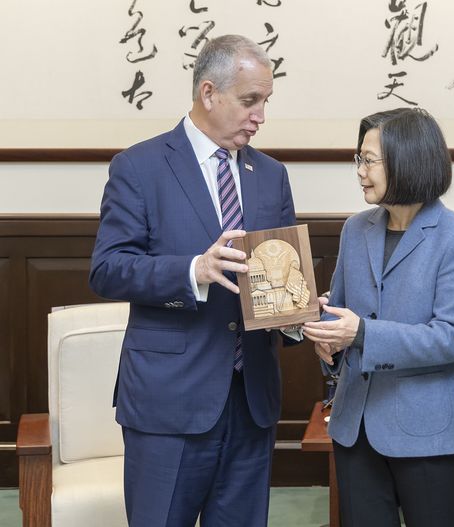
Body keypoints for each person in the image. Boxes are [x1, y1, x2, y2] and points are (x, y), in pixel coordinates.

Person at [89, 34, 296, 527]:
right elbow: (107, 268)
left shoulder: (271, 175)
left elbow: (280, 275)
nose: (260, 116)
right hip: (169, 403)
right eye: (250, 101)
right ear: (209, 93)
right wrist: (193, 271)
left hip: (252, 403)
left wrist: (299, 314)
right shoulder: (139, 167)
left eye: (265, 101)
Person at [302, 108, 454, 527]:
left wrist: (361, 332)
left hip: (429, 433)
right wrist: (327, 341)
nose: (360, 171)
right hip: (356, 427)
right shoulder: (356, 229)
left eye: (369, 160)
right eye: (359, 159)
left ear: (407, 161)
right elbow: (342, 317)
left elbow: (451, 338)